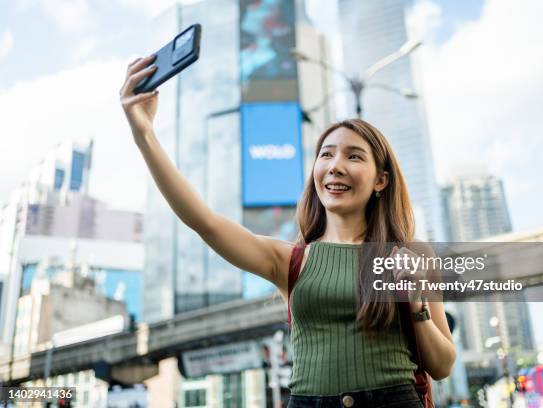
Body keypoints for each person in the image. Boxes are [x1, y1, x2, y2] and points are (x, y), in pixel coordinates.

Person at [120, 55, 456, 408]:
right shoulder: (289, 260)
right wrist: (144, 133)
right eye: (326, 155)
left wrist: (415, 303)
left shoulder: (412, 257)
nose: (335, 166)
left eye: (354, 157)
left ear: (381, 180)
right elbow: (204, 222)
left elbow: (443, 365)